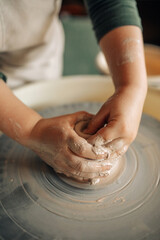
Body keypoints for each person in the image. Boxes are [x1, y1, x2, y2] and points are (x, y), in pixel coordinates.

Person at [0, 0, 147, 183]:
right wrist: (33, 130)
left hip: (34, 55)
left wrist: (132, 86)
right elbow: (31, 128)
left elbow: (109, 3)